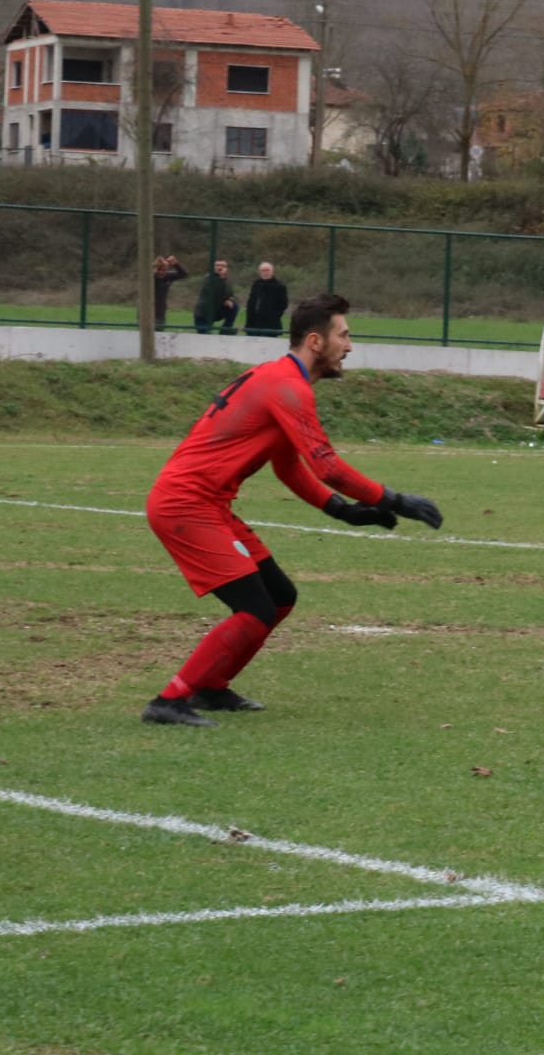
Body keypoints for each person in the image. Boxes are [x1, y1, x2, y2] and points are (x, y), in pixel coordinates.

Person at [140, 293, 444, 726]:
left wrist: (342, 511)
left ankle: (211, 686)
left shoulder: (280, 380)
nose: (350, 346)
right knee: (254, 608)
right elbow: (328, 467)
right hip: (186, 504)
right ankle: (169, 700)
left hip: (207, 504)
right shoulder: (288, 386)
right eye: (344, 335)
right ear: (316, 341)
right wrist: (393, 499)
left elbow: (287, 466)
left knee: (280, 598)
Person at [243, 262, 289, 338]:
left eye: (267, 270)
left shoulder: (279, 286)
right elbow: (251, 301)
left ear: (272, 271)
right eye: (263, 270)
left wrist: (275, 316)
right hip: (254, 322)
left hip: (271, 323)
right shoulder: (256, 284)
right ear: (259, 272)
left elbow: (283, 304)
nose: (265, 273)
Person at [193, 259, 238, 335]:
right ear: (213, 267)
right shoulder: (208, 278)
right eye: (217, 265)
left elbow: (230, 294)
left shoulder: (226, 281)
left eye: (222, 266)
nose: (220, 267)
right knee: (205, 337)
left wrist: (230, 300)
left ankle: (225, 330)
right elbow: (215, 292)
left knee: (234, 307)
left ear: (227, 268)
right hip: (203, 315)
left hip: (216, 311)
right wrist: (221, 278)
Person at [152, 255, 189, 330]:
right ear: (155, 269)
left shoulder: (168, 276)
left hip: (160, 312)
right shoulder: (151, 277)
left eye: (164, 270)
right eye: (159, 270)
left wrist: (175, 264)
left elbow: (184, 274)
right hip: (147, 311)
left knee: (159, 335)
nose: (161, 272)